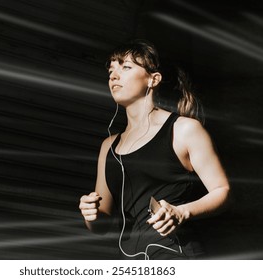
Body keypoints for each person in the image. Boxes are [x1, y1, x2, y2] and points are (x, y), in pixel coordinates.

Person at [79, 39, 231, 259]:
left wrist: (181, 212)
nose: (113, 76)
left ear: (153, 79)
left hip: (176, 255)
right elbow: (101, 225)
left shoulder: (183, 129)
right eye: (111, 70)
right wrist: (90, 215)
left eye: (126, 67)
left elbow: (223, 191)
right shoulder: (108, 146)